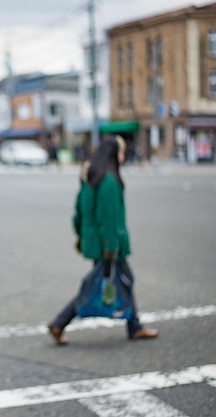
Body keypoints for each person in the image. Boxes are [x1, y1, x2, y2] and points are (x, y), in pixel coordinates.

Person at [48, 136, 158, 345]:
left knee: (122, 281)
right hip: (107, 246)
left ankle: (134, 326)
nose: (123, 156)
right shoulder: (108, 181)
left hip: (95, 242)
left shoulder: (90, 177)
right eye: (121, 152)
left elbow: (78, 212)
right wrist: (110, 250)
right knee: (104, 283)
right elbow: (109, 220)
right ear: (113, 154)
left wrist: (81, 235)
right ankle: (59, 322)